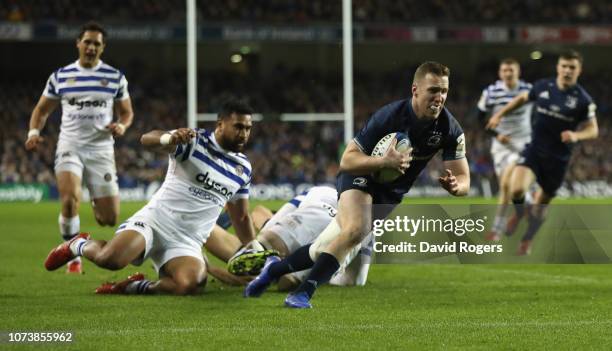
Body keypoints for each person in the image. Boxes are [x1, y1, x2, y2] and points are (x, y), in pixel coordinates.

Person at [245, 61, 470, 308]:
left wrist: (457, 187)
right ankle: (302, 293)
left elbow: (463, 178)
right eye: (433, 90)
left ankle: (273, 270)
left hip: (391, 192)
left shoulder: (450, 129)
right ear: (415, 89)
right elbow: (347, 160)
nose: (439, 97)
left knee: (326, 245)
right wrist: (383, 161)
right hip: (360, 175)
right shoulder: (389, 116)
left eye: (444, 91)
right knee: (356, 229)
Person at [44, 99, 258, 295]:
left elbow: (240, 218)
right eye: (238, 127)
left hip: (187, 240)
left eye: (248, 128)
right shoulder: (194, 142)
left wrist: (255, 249)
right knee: (110, 259)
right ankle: (78, 245)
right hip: (155, 222)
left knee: (190, 285)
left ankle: (133, 286)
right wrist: (169, 137)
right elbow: (147, 139)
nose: (244, 134)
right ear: (220, 124)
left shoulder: (242, 168)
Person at [25, 22, 134, 274]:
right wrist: (33, 132)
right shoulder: (60, 76)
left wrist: (122, 126)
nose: (91, 47)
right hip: (70, 145)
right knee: (69, 200)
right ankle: (73, 255)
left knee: (109, 219)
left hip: (101, 150)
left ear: (103, 47)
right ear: (78, 43)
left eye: (97, 43)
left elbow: (127, 112)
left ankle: (96, 200)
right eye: (87, 41)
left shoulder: (114, 77)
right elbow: (41, 109)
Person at [486, 50, 598, 255]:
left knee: (539, 209)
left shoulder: (583, 100)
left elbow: (593, 129)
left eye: (572, 67)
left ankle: (528, 238)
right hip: (534, 151)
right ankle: (519, 213)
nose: (567, 71)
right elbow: (521, 98)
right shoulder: (543, 86)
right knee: (516, 190)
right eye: (564, 66)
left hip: (558, 160)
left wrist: (576, 136)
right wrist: (500, 114)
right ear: (558, 67)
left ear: (579, 70)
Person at [205, 186, 372, 290]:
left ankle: (213, 224)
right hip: (330, 220)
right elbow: (355, 279)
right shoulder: (367, 222)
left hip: (317, 207)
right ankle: (213, 259)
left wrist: (263, 238)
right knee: (272, 267)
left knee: (258, 255)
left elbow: (286, 211)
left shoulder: (323, 192)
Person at [476, 59, 533, 241]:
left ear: (518, 72)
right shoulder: (491, 92)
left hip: (523, 143)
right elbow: (480, 118)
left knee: (508, 184)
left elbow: (543, 112)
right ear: (500, 73)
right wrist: (497, 135)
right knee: (505, 188)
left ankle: (496, 229)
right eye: (505, 70)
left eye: (511, 70)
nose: (508, 73)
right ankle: (525, 206)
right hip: (501, 146)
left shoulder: (529, 90)